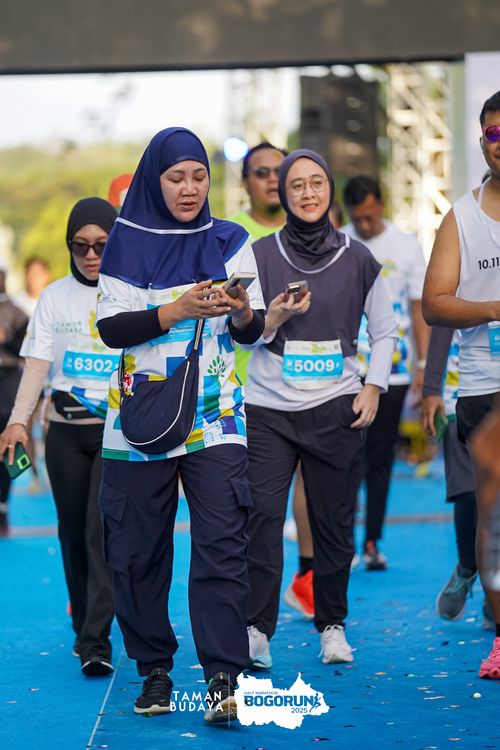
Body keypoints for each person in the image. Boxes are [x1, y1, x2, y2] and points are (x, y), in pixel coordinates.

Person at [96, 127, 265, 723]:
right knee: (137, 548)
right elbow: (111, 329)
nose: (189, 188)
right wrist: (176, 310)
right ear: (154, 181)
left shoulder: (231, 239)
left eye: (199, 177)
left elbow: (251, 330)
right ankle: (154, 671)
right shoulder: (123, 242)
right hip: (139, 413)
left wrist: (241, 311)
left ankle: (223, 676)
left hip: (216, 414)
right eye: (176, 178)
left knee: (223, 541)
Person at [243, 149, 398, 669]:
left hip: (336, 405)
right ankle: (257, 630)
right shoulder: (258, 255)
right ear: (283, 195)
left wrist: (373, 386)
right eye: (296, 186)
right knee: (263, 518)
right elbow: (240, 336)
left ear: (329, 189)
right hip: (268, 408)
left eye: (316, 183)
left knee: (334, 522)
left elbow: (385, 331)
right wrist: (271, 320)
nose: (308, 193)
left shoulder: (358, 258)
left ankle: (332, 626)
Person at [0, 198, 118, 674]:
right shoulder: (53, 297)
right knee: (71, 533)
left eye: (101, 245)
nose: (90, 255)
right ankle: (83, 625)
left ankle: (96, 642)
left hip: (115, 434)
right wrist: (17, 421)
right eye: (80, 245)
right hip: (65, 433)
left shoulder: (130, 293)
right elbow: (36, 367)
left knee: (98, 530)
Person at [422, 90, 500, 679]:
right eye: (495, 134)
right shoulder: (461, 218)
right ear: (482, 142)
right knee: (491, 519)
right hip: (485, 389)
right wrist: (495, 308)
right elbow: (434, 304)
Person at [229, 142, 316, 619]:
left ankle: (307, 577)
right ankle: (250, 603)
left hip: (306, 382)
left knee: (311, 482)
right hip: (239, 387)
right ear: (245, 182)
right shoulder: (230, 236)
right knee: (255, 504)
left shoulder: (312, 229)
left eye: (278, 171)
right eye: (260, 172)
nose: (270, 179)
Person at [343, 175, 429, 569]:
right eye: (357, 218)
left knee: (380, 459)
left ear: (381, 205)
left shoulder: (407, 245)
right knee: (346, 459)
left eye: (370, 216)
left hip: (394, 370)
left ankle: (372, 542)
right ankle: (342, 542)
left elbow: (419, 308)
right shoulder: (340, 241)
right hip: (347, 370)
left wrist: (423, 366)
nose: (364, 224)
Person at [421, 327, 495, 628]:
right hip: (461, 394)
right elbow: (441, 321)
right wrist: (431, 390)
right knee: (468, 491)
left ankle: (493, 594)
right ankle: (467, 567)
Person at [0, 258, 29, 535]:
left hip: (7, 382)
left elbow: (27, 349)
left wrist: (6, 339)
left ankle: (3, 507)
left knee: (6, 449)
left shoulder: (16, 312)